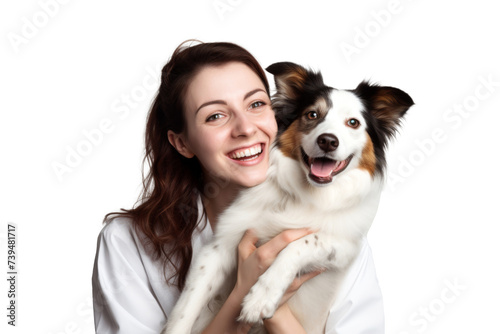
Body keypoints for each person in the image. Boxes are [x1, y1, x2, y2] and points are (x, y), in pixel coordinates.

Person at [92, 40, 385, 333]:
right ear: (182, 143)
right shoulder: (126, 242)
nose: (245, 128)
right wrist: (240, 297)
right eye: (215, 116)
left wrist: (272, 302)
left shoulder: (339, 240)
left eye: (257, 104)